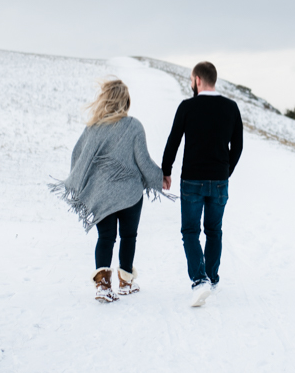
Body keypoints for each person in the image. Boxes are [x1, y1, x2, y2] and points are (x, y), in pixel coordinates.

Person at [50, 79, 172, 303]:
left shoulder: (93, 128)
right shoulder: (134, 126)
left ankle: (103, 286)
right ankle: (125, 282)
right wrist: (159, 177)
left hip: (102, 194)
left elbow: (78, 156)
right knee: (129, 236)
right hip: (130, 195)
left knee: (106, 237)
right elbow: (143, 161)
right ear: (125, 101)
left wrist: (82, 181)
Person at [162, 61, 243, 307]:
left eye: (191, 79)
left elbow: (173, 141)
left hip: (192, 180)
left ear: (197, 79)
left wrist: (166, 171)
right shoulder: (231, 107)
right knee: (213, 231)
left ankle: (199, 280)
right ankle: (212, 278)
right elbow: (237, 146)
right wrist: (225, 171)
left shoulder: (187, 107)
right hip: (219, 180)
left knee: (190, 231)